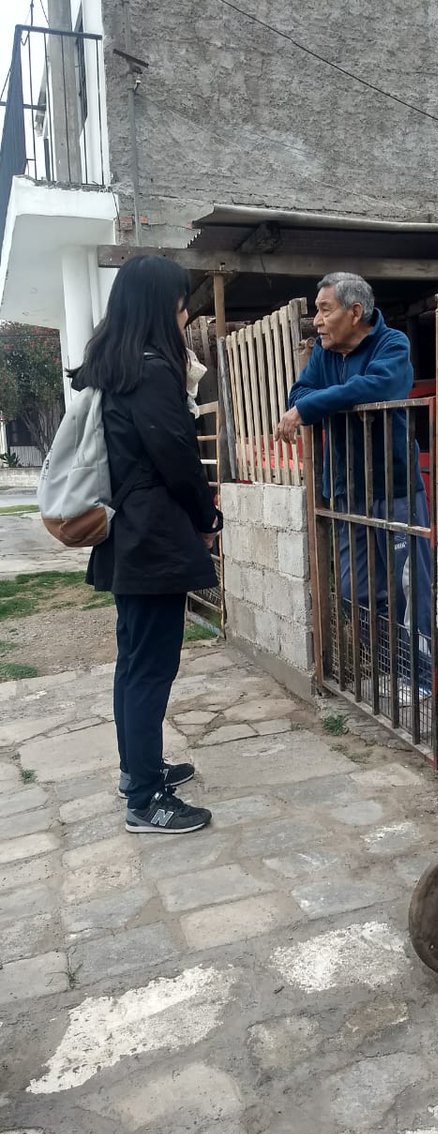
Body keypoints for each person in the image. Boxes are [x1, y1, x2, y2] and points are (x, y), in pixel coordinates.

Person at [71, 255, 222, 834]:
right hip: (150, 538)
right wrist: (207, 515)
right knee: (150, 667)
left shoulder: (109, 366)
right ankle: (143, 797)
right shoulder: (152, 369)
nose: (186, 314)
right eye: (183, 304)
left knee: (134, 663)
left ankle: (140, 767)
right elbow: (179, 460)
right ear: (164, 307)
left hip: (126, 535)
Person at [276, 272, 431, 695]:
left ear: (355, 312)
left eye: (325, 310)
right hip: (347, 488)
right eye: (316, 312)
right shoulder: (325, 354)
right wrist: (315, 403)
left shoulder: (392, 344)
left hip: (394, 485)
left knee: (409, 587)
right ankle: (392, 662)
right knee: (354, 588)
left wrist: (314, 406)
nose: (317, 321)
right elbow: (298, 392)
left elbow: (379, 385)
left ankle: (419, 677)